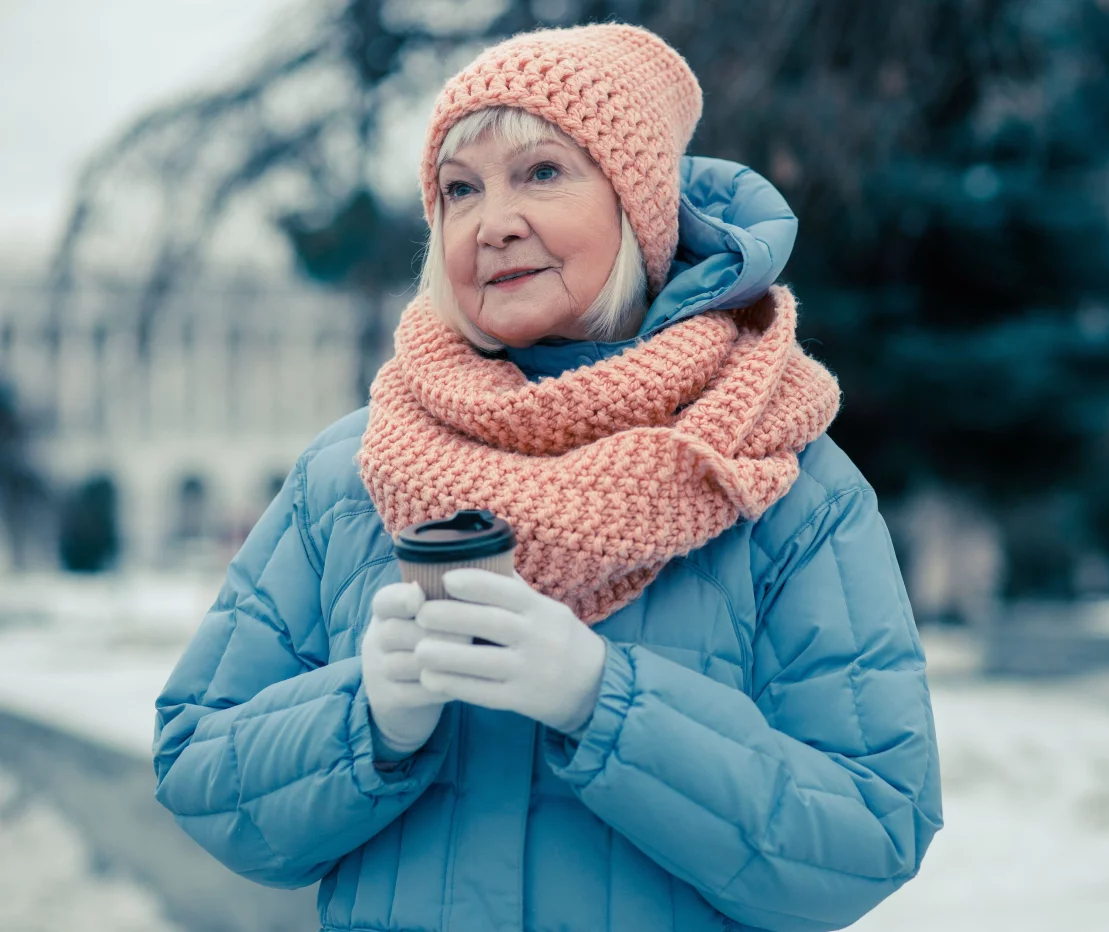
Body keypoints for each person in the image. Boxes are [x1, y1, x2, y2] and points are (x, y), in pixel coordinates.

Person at [153, 22, 942, 932]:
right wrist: (364, 718)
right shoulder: (349, 473)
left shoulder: (776, 478)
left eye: (542, 173)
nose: (493, 223)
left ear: (637, 204)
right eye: (459, 189)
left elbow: (870, 829)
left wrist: (606, 702)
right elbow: (198, 767)